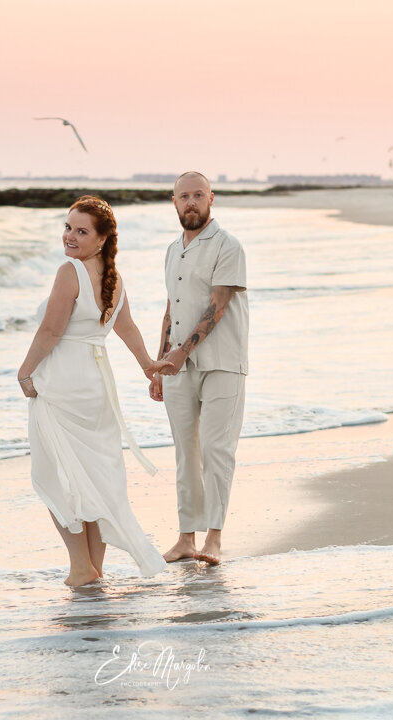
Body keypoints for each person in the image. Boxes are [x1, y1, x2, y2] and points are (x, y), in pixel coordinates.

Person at [19, 195, 169, 586]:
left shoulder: (69, 271)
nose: (70, 236)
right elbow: (127, 328)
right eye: (68, 227)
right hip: (97, 386)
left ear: (101, 239)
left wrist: (24, 372)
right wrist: (149, 367)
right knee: (94, 476)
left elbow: (51, 331)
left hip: (63, 384)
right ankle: (91, 568)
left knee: (57, 475)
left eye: (81, 231)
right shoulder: (113, 277)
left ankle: (80, 568)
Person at [149, 172, 248, 566]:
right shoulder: (173, 250)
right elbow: (172, 309)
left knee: (215, 449)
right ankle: (186, 538)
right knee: (185, 453)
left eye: (197, 195)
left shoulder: (228, 246)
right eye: (183, 196)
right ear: (173, 202)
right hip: (178, 368)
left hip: (223, 363)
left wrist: (181, 351)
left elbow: (218, 305)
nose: (190, 202)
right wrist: (160, 364)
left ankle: (214, 540)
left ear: (211, 199)